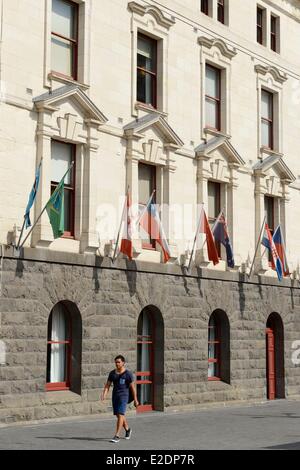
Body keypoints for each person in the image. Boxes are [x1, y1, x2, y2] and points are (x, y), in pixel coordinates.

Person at [101, 355, 139, 443]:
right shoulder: (112, 373)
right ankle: (128, 429)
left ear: (123, 363)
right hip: (115, 396)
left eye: (118, 362)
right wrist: (104, 394)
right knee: (118, 415)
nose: (117, 364)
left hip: (124, 396)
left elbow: (133, 388)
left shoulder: (128, 374)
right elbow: (107, 385)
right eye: (116, 362)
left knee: (121, 414)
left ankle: (117, 435)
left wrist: (136, 399)